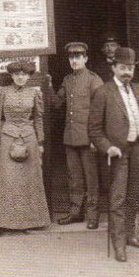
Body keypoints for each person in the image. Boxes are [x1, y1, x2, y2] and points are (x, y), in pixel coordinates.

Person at [89, 46, 139, 262]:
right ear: (114, 68)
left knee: (134, 195)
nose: (127, 72)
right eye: (123, 68)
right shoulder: (103, 92)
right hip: (117, 153)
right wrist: (108, 147)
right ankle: (118, 245)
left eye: (131, 68)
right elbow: (94, 129)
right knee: (118, 198)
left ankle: (130, 236)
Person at [0, 59, 50, 235]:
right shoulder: (2, 92)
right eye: (17, 74)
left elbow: (38, 118)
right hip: (7, 137)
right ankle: (0, 222)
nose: (20, 77)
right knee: (6, 179)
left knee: (28, 180)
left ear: (29, 76)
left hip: (30, 138)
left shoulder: (34, 93)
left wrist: (41, 142)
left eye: (24, 74)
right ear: (12, 75)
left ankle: (26, 222)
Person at [52, 41, 103, 228]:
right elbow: (57, 103)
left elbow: (100, 110)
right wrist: (48, 86)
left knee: (91, 178)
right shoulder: (67, 80)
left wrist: (97, 138)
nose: (74, 61)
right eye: (71, 57)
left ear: (85, 58)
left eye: (78, 57)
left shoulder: (93, 80)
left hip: (88, 138)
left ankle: (93, 215)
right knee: (74, 177)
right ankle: (75, 212)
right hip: (71, 137)